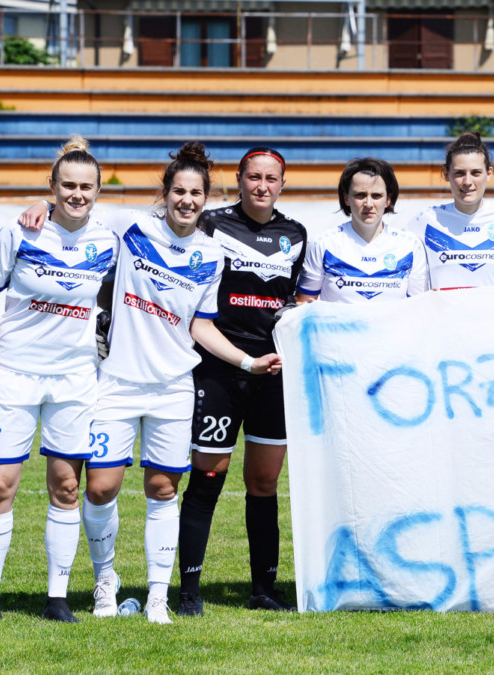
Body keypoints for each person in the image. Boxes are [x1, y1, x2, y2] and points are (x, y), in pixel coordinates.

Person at [19, 142, 282, 623]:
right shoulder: (130, 229)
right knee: (99, 489)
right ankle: (106, 583)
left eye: (196, 193)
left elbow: (200, 327)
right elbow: (78, 214)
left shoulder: (210, 253)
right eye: (178, 191)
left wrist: (247, 362)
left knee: (164, 487)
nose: (187, 200)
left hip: (173, 388)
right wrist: (43, 204)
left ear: (206, 197)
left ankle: (158, 595)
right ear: (165, 193)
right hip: (116, 382)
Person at [0, 137, 117, 625]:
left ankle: (57, 598)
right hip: (15, 371)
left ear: (99, 190)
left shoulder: (110, 241)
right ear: (52, 186)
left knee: (66, 485)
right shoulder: (18, 233)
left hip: (74, 378)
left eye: (86, 186)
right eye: (66, 186)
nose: (76, 194)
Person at [176, 146, 307, 617]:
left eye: (271, 178)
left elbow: (302, 304)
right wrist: (47, 207)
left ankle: (263, 590)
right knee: (208, 477)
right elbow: (153, 223)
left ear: (282, 183)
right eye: (254, 176)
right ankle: (189, 591)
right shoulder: (210, 223)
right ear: (239, 178)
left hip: (272, 373)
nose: (262, 186)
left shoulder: (296, 234)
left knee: (264, 481)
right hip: (219, 367)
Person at [405, 132, 494, 290]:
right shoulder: (425, 221)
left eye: (475, 173)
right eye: (459, 173)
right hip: (446, 315)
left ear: (489, 173)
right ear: (446, 174)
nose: (467, 182)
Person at [296, 157, 427, 303]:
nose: (369, 204)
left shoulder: (409, 245)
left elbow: (418, 308)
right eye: (360, 195)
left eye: (376, 196)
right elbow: (302, 305)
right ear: (346, 198)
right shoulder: (324, 243)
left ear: (388, 200)